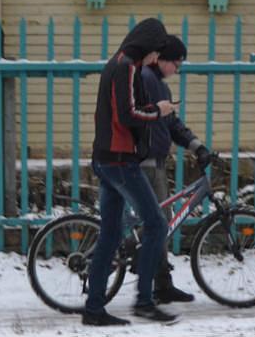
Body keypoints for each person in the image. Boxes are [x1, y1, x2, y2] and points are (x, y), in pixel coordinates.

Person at [83, 17, 178, 327]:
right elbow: (128, 115)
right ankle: (144, 301)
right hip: (120, 161)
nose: (155, 59)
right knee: (156, 225)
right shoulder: (125, 66)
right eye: (155, 52)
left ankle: (94, 309)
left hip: (108, 159)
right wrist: (158, 111)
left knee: (110, 234)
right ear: (147, 46)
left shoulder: (121, 63)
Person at [139, 35, 213, 305]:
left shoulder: (157, 84)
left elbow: (170, 123)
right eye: (176, 63)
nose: (177, 69)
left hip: (154, 161)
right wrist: (197, 147)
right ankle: (155, 286)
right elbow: (150, 118)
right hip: (146, 163)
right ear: (163, 58)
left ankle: (161, 283)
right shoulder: (148, 80)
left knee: (160, 222)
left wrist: (196, 145)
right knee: (159, 224)